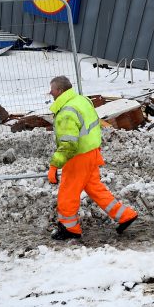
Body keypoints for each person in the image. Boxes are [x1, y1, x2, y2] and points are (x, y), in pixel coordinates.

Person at [46, 75, 138, 240]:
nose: (50, 93)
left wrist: (54, 166)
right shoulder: (82, 100)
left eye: (51, 89)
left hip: (78, 157)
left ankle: (70, 229)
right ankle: (125, 216)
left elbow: (68, 145)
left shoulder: (66, 112)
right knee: (96, 188)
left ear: (59, 91)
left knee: (67, 193)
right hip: (92, 152)